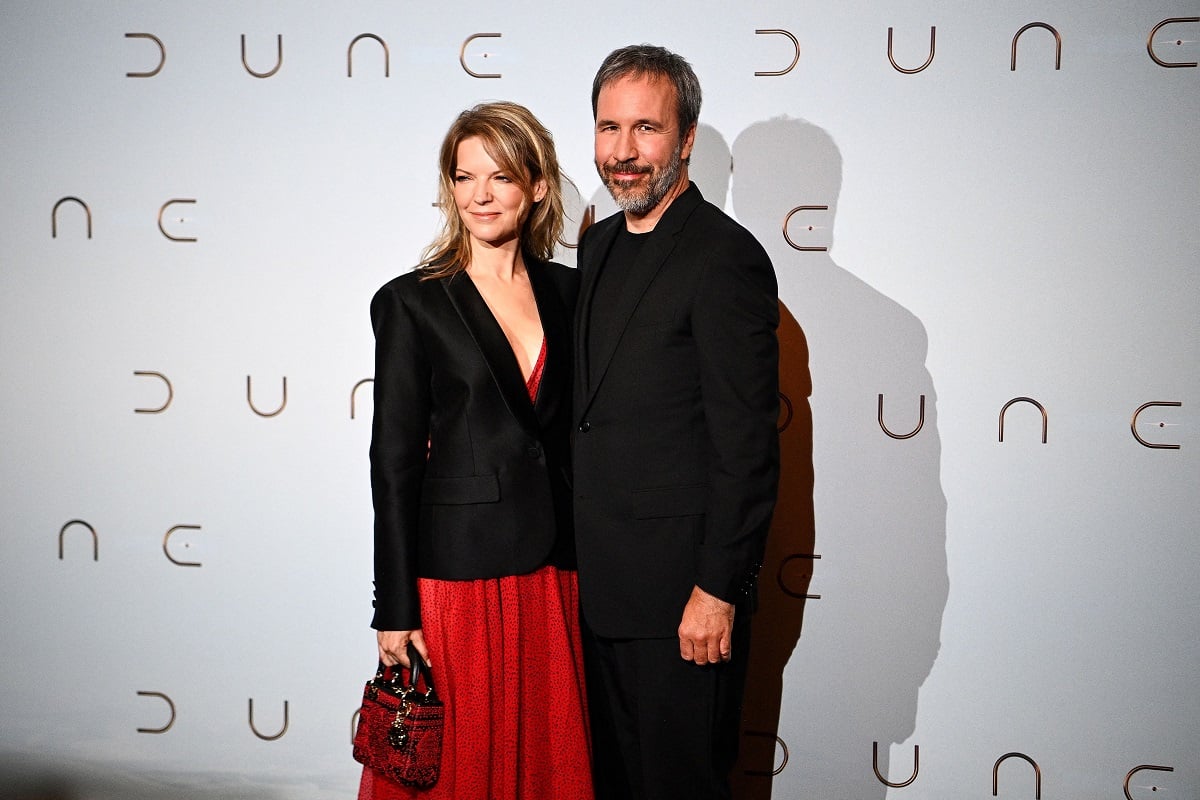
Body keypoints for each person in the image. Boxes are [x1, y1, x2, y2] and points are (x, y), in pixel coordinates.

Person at [361, 101, 592, 800]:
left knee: (544, 764)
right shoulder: (411, 303)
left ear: (537, 185)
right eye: (465, 178)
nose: (481, 195)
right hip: (458, 578)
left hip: (556, 571)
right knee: (461, 767)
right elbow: (393, 462)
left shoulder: (572, 291)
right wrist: (394, 606)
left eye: (499, 176)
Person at [572, 45, 781, 800]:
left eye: (646, 129)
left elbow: (748, 445)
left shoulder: (726, 258)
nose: (623, 153)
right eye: (608, 128)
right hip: (595, 592)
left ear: (687, 138)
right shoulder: (594, 245)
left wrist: (717, 589)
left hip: (682, 603)